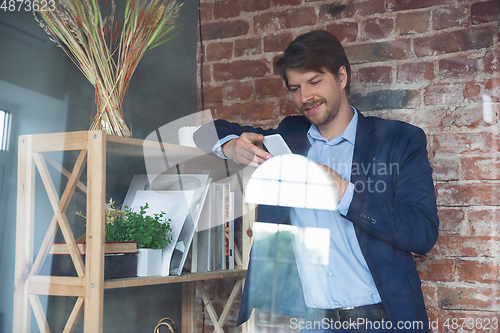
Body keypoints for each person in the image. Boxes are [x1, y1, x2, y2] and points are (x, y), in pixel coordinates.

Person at [194, 30, 439, 332]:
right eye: (295, 88)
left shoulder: (401, 140)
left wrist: (345, 192)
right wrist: (230, 145)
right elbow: (202, 132)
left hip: (383, 319)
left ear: (341, 77)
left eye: (314, 82)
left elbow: (423, 233)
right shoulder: (287, 138)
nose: (304, 98)